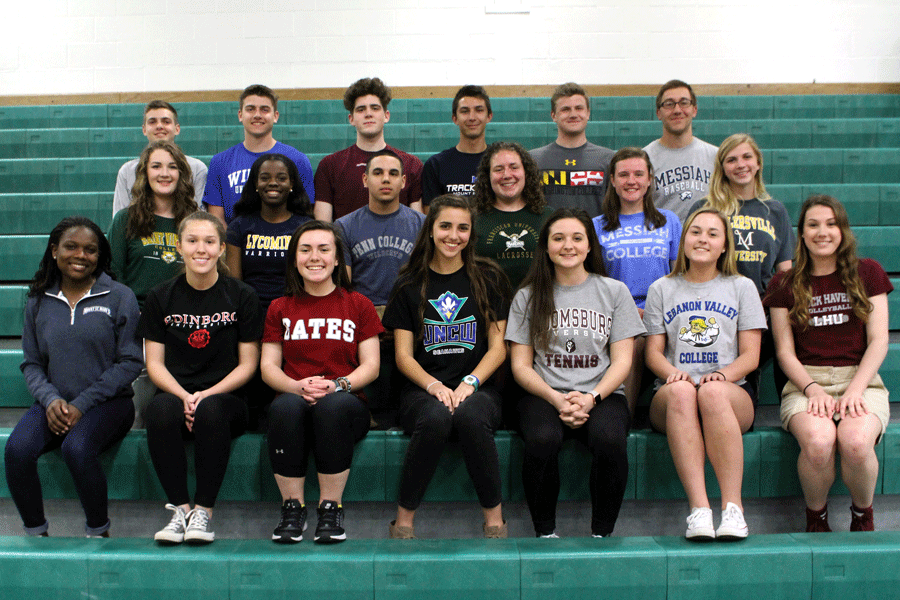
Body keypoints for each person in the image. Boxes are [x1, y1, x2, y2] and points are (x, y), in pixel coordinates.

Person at [506, 208, 645, 538]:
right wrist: (556, 399)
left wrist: (591, 398)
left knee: (609, 438)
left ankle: (602, 533)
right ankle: (545, 533)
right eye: (558, 238)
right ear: (546, 247)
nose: (567, 245)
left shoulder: (614, 291)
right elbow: (521, 365)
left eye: (576, 238)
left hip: (603, 392)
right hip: (543, 393)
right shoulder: (527, 296)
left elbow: (623, 362)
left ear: (589, 246)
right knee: (542, 438)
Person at [382, 195, 511, 539]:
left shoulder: (488, 278)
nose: (453, 235)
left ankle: (495, 524)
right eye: (445, 226)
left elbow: (499, 349)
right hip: (421, 390)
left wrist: (469, 383)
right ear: (430, 230)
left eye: (463, 228)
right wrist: (436, 387)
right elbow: (404, 357)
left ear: (471, 233)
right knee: (437, 417)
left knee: (470, 417)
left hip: (478, 387)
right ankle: (403, 525)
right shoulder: (408, 284)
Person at [5, 217, 142, 538]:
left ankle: (98, 530)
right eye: (71, 247)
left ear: (100, 256)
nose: (81, 255)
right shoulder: (38, 299)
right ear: (54, 251)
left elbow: (131, 362)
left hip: (110, 404)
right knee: (17, 451)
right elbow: (32, 363)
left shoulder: (120, 296)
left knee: (77, 448)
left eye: (91, 250)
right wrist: (51, 400)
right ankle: (36, 534)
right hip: (54, 403)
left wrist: (81, 404)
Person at [764, 195, 892, 533]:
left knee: (855, 442)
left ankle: (862, 515)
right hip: (806, 382)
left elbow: (879, 340)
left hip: (861, 380)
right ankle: (816, 518)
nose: (823, 232)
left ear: (843, 230)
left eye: (831, 224)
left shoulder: (869, 272)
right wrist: (812, 388)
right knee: (820, 443)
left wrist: (855, 389)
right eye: (813, 225)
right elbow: (784, 352)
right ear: (801, 234)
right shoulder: (785, 284)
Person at [138, 212, 263, 544]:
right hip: (176, 394)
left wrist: (205, 395)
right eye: (192, 241)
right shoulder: (160, 296)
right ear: (179, 247)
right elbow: (155, 365)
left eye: (210, 242)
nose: (201, 249)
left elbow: (248, 365)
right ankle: (181, 510)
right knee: (159, 411)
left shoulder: (242, 295)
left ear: (222, 248)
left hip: (228, 398)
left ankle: (204, 513)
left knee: (212, 411)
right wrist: (184, 396)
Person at [644, 208, 767, 540]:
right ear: (684, 240)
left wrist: (723, 376)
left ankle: (733, 510)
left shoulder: (742, 287)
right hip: (673, 394)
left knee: (710, 393)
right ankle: (699, 511)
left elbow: (751, 356)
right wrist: (675, 374)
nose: (703, 239)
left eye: (713, 233)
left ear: (725, 245)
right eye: (695, 232)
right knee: (686, 392)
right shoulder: (661, 288)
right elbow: (653, 353)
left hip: (729, 392)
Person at [261, 221, 383, 544]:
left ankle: (330, 508)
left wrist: (338, 385)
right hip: (295, 399)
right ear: (294, 259)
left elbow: (371, 366)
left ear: (337, 259)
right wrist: (297, 386)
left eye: (324, 249)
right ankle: (293, 509)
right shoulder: (279, 307)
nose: (315, 257)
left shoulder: (359, 304)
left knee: (332, 407)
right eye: (305, 250)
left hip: (345, 403)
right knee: (284, 407)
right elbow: (269, 367)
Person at [335, 150, 426, 422]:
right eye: (377, 173)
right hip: (364, 316)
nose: (385, 179)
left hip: (412, 315)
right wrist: (371, 320)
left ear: (404, 182)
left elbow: (426, 279)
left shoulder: (422, 224)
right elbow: (344, 287)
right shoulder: (344, 226)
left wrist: (401, 319)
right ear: (364, 180)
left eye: (393, 173)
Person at [592, 147, 681, 413]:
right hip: (614, 313)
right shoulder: (596, 226)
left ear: (650, 179)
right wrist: (628, 312)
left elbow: (679, 278)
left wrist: (653, 311)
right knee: (633, 340)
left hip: (662, 312)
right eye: (624, 174)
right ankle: (623, 418)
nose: (631, 181)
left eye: (639, 174)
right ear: (613, 180)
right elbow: (594, 283)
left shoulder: (670, 221)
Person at [689, 133, 794, 297]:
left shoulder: (776, 211)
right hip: (714, 303)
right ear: (722, 168)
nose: (741, 164)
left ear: (758, 163)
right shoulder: (704, 208)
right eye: (732, 160)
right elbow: (689, 263)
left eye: (747, 157)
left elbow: (784, 272)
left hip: (762, 305)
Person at [313, 77, 423, 222]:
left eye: (375, 108)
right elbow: (323, 228)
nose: (368, 113)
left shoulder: (411, 165)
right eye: (361, 109)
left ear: (386, 116)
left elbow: (418, 226)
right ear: (351, 119)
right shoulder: (330, 165)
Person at [204, 85, 315, 224]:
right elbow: (217, 220)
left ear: (275, 116)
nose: (257, 115)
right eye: (250, 109)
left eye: (265, 109)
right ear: (240, 115)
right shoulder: (219, 162)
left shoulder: (297, 160)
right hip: (235, 243)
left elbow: (305, 215)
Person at [110, 140, 198, 308]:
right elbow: (114, 274)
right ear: (145, 173)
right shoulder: (125, 219)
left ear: (181, 173)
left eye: (172, 167)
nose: (164, 174)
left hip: (183, 315)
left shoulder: (194, 222)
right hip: (137, 314)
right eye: (156, 166)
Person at [225, 153, 313, 315]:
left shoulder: (306, 227)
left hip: (296, 312)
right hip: (250, 311)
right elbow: (234, 283)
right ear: (256, 184)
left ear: (291, 183)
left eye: (281, 178)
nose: (273, 183)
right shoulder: (238, 226)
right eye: (265, 178)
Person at [473, 141, 554, 291]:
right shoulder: (474, 219)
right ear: (487, 176)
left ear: (526, 172)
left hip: (539, 306)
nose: (507, 175)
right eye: (498, 169)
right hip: (489, 309)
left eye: (514, 167)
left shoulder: (549, 217)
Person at [530, 82, 614, 219]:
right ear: (553, 115)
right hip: (548, 239)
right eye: (565, 109)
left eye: (579, 108)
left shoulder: (608, 159)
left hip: (593, 239)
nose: (573, 114)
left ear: (588, 113)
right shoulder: (533, 160)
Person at [112, 100, 207, 215]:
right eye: (152, 122)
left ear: (177, 129)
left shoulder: (197, 168)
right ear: (144, 130)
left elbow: (199, 218)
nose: (159, 126)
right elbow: (120, 217)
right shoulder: (127, 171)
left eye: (166, 122)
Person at [643, 80, 718, 221]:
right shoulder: (644, 159)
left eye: (684, 103)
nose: (677, 110)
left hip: (704, 239)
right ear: (658, 113)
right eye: (669, 104)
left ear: (694, 110)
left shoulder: (715, 156)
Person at [422, 85, 493, 208]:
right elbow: (432, 218)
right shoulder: (436, 165)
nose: (472, 117)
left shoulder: (501, 162)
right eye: (465, 111)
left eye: (479, 110)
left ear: (489, 116)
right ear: (455, 118)